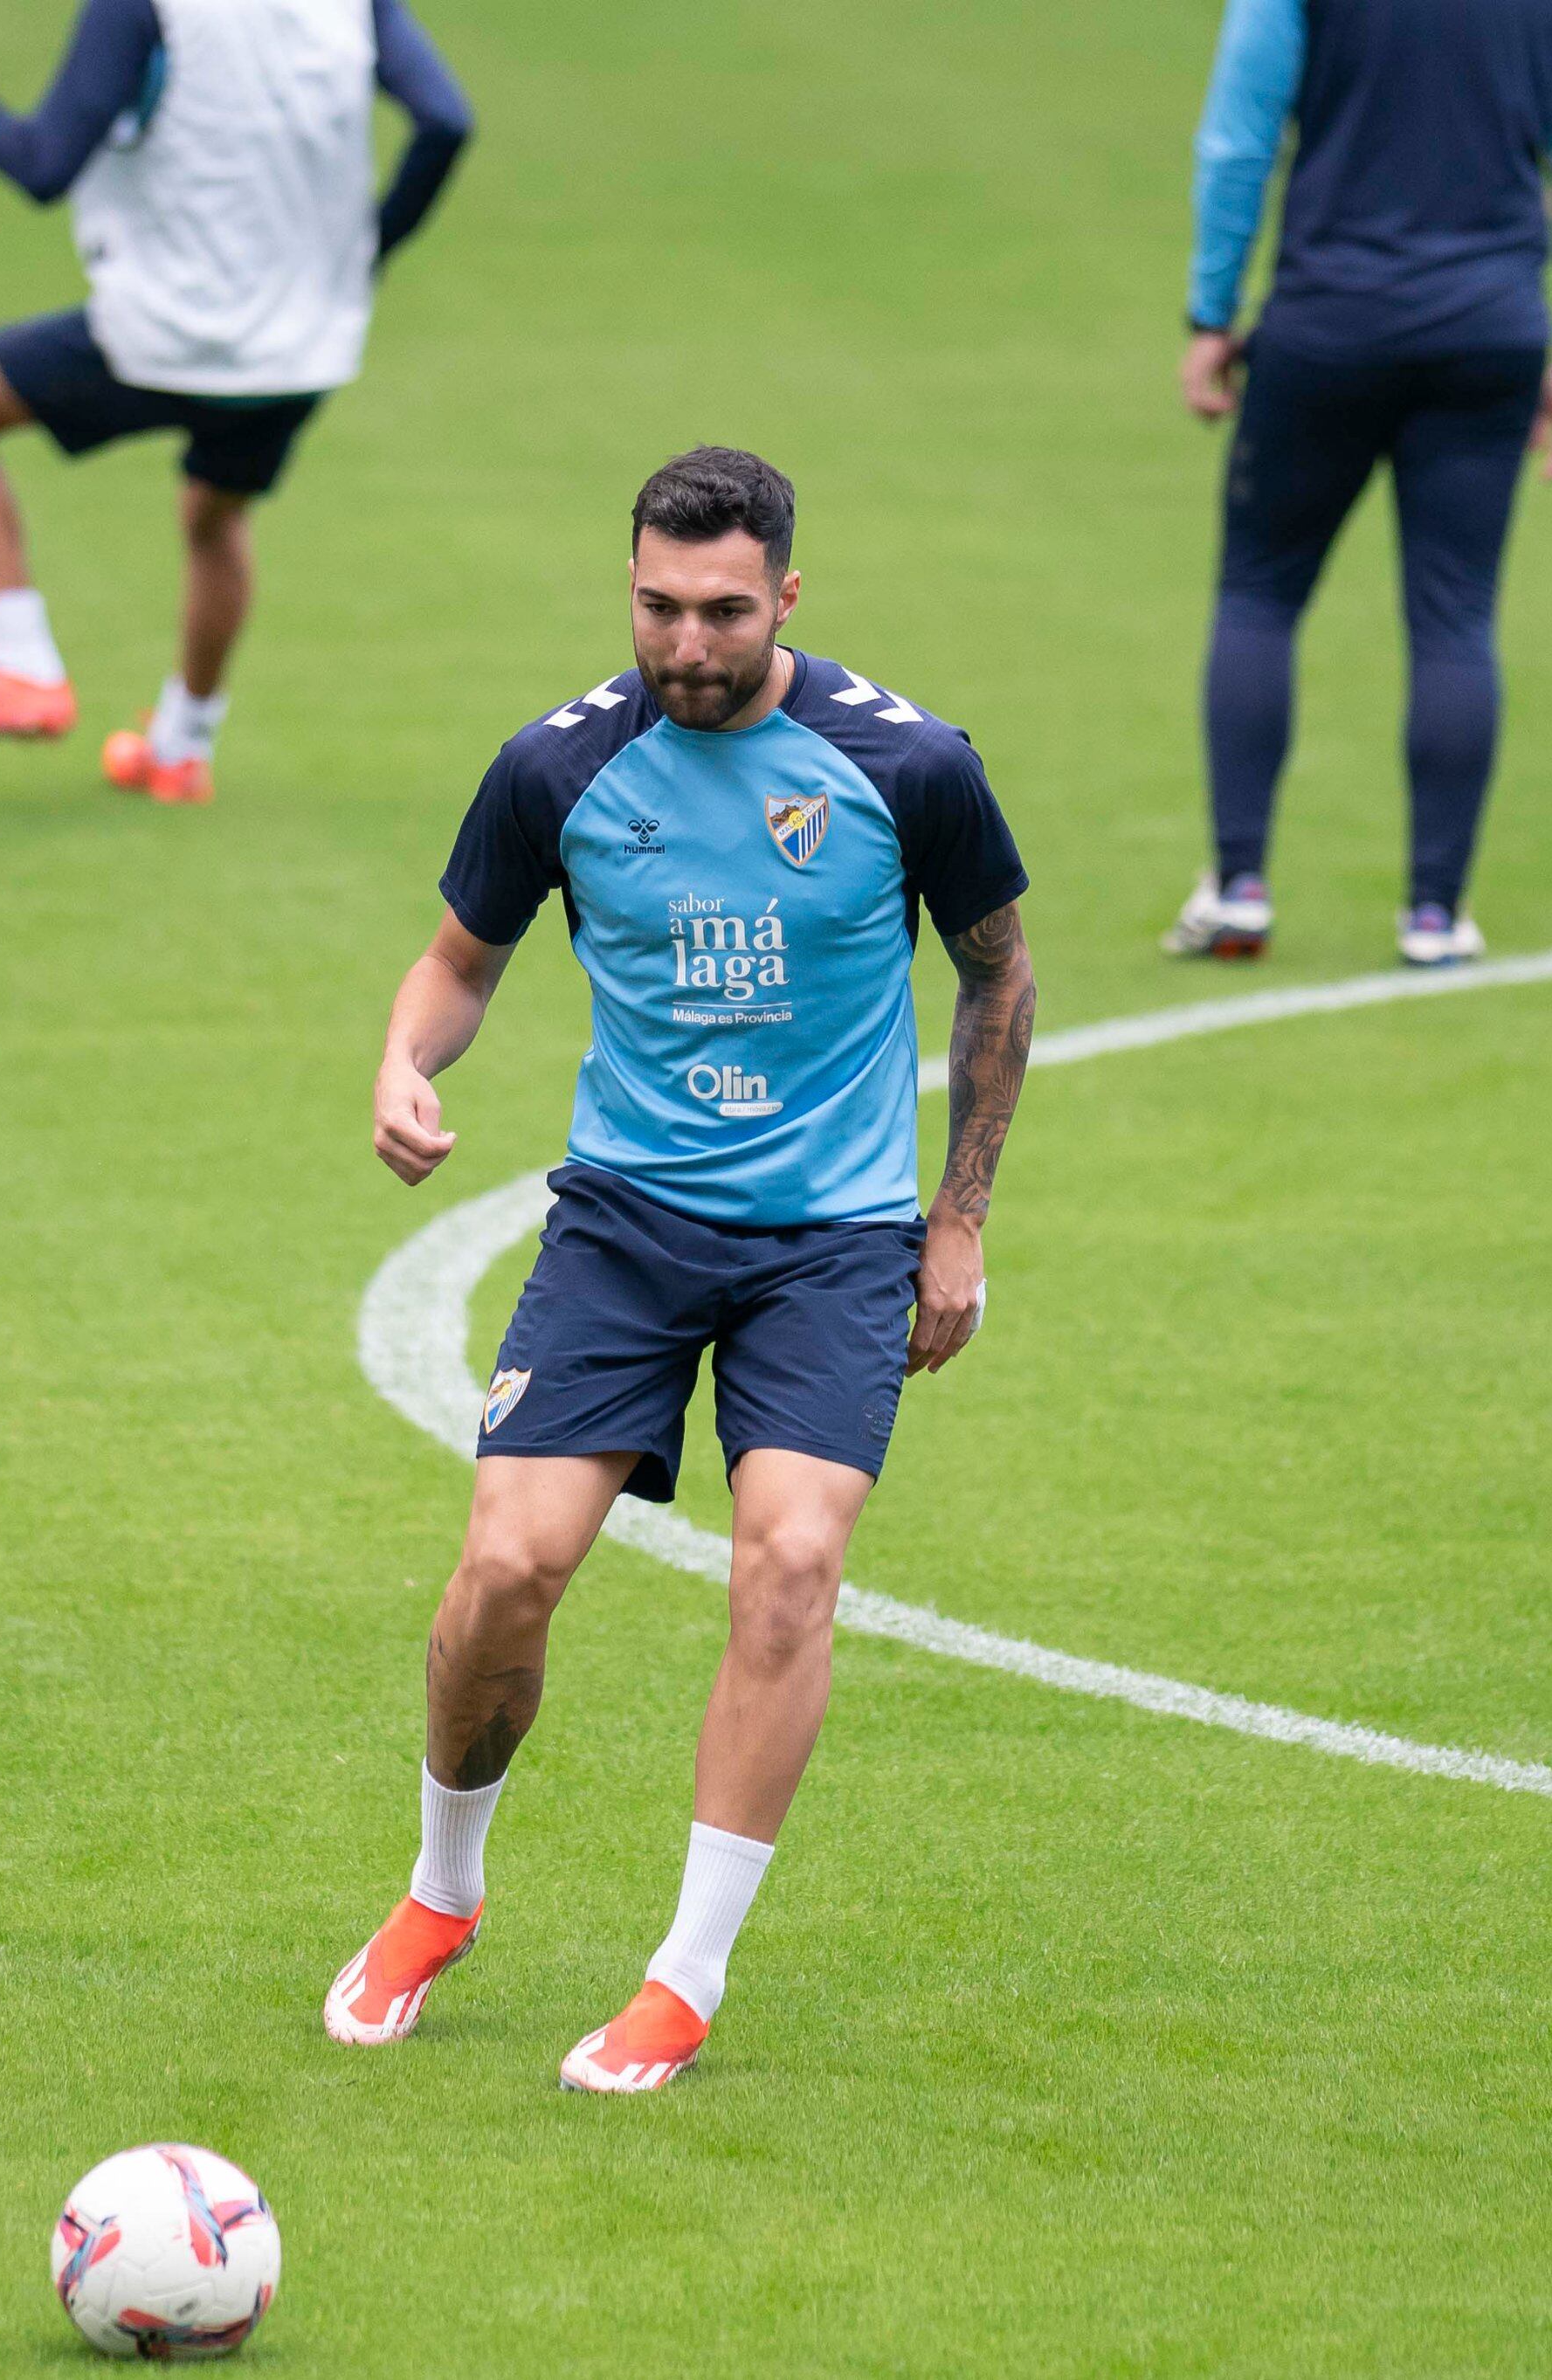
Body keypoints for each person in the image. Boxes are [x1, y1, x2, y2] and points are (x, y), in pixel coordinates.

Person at [323, 450, 1036, 2093]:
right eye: (658, 607)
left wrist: (961, 1214)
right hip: (627, 1229)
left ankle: (683, 1975)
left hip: (835, 1242)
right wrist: (401, 1061)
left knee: (787, 1564)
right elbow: (456, 963)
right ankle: (442, 1895)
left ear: (788, 596)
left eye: (723, 611)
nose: (687, 644)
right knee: (507, 1569)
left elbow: (997, 976)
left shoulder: (905, 764)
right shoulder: (555, 770)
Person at [0, 1, 471, 804]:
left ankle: (20, 663)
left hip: (162, 335)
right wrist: (363, 253)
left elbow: (43, 165)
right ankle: (181, 751)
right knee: (216, 518)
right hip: (302, 348)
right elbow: (445, 121)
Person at [1162, 0, 1552, 968]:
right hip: (1490, 331)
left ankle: (1239, 887)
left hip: (1327, 324)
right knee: (1455, 617)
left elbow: (1237, 143)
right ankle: (1434, 913)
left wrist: (1211, 311)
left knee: (1259, 592)